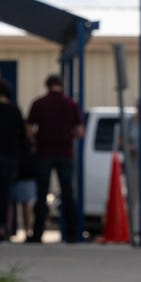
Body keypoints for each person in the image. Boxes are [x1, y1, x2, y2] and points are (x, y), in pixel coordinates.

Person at [24, 73, 84, 243]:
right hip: (65, 153)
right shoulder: (71, 104)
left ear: (47, 85)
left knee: (42, 193)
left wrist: (35, 141)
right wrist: (69, 137)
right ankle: (72, 234)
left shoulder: (39, 103)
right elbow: (80, 131)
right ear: (61, 85)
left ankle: (37, 233)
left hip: (44, 152)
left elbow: (28, 128)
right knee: (68, 193)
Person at [0, 78, 29, 240]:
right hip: (10, 158)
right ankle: (2, 227)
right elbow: (23, 137)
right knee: (4, 194)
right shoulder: (15, 111)